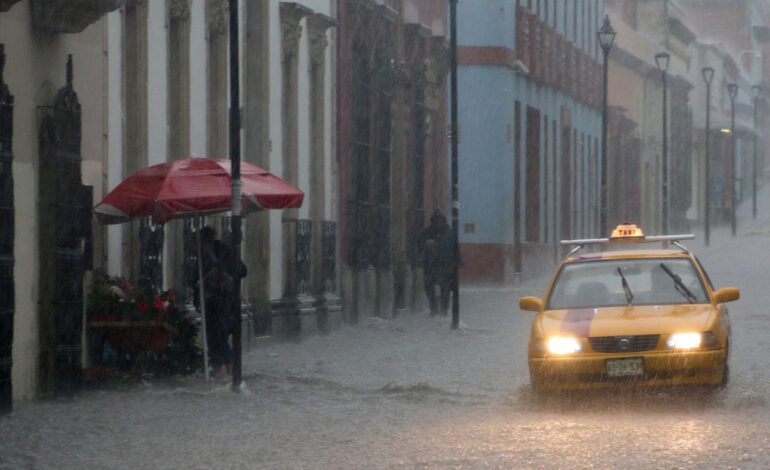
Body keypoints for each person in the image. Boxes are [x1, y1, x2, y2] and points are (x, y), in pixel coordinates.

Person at [193, 226, 247, 377]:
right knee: (213, 336)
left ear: (205, 241)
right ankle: (217, 368)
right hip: (210, 303)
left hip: (222, 302)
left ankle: (230, 370)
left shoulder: (222, 252)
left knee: (219, 336)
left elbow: (242, 270)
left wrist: (222, 272)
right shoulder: (202, 256)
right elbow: (196, 278)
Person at [417, 208, 457, 316]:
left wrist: (457, 261)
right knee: (429, 287)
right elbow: (419, 244)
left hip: (445, 265)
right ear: (433, 220)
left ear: (443, 220)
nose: (438, 222)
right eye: (436, 220)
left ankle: (444, 310)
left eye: (439, 220)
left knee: (445, 289)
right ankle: (433, 308)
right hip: (431, 265)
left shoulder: (449, 233)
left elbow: (455, 247)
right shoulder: (427, 232)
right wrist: (425, 245)